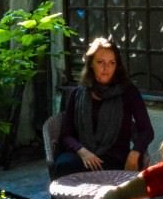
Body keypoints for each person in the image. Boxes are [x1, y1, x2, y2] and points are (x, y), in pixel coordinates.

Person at [53, 37, 155, 177]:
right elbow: (66, 134)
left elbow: (146, 130)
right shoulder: (79, 93)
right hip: (84, 155)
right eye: (100, 62)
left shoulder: (128, 92)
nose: (106, 68)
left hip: (115, 158)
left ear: (117, 66)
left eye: (111, 63)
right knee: (63, 165)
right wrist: (82, 151)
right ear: (91, 64)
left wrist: (135, 152)